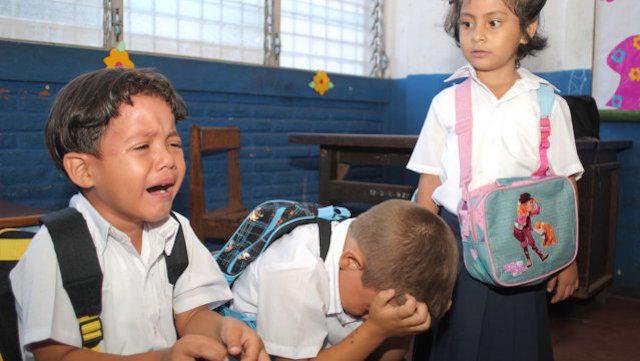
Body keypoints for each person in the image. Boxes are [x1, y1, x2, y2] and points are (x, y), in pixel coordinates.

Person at [10, 68, 268, 361]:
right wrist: (162, 358)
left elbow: (192, 315)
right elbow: (56, 356)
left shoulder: (176, 231)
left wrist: (223, 329)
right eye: (142, 146)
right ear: (84, 169)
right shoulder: (58, 247)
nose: (168, 159)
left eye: (173, 144)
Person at [407, 0, 584, 360]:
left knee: (517, 341)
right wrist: (422, 259)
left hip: (521, 242)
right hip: (456, 243)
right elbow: (429, 185)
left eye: (494, 22)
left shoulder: (548, 104)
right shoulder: (445, 103)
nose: (478, 35)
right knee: (452, 342)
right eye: (468, 24)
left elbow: (563, 187)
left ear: (527, 29)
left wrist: (567, 258)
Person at [231, 199, 459, 361]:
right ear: (351, 262)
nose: (378, 315)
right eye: (369, 309)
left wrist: (398, 328)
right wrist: (376, 330)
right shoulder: (297, 271)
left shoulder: (369, 252)